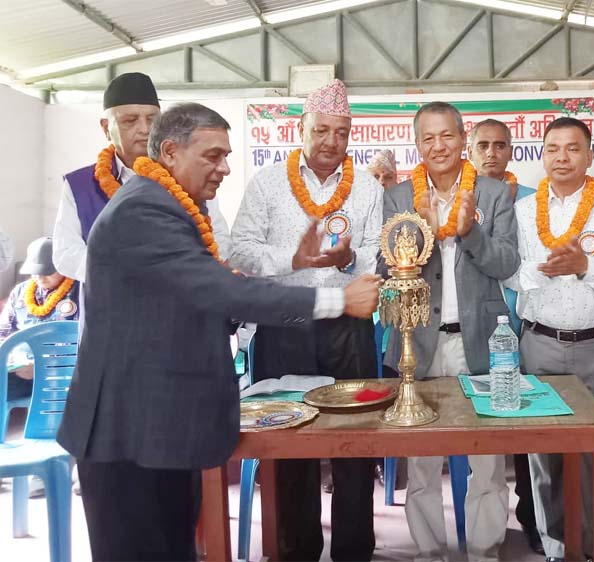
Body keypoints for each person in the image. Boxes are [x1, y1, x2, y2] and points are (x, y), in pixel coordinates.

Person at [56, 102, 381, 562]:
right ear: (171, 152)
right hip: (127, 431)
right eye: (213, 156)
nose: (225, 168)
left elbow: (196, 295)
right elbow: (220, 291)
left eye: (226, 156)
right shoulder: (144, 211)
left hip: (160, 425)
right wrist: (338, 301)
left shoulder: (173, 206)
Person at [231, 78, 382, 562]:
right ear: (301, 128)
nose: (331, 142)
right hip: (285, 326)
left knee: (355, 441)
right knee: (288, 443)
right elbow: (241, 251)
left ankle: (354, 551)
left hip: (349, 328)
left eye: (341, 132)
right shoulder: (268, 183)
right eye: (321, 130)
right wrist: (294, 259)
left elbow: (376, 255)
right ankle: (297, 550)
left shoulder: (367, 188)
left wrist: (349, 259)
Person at [381, 101, 520, 562]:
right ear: (417, 144)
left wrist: (469, 232)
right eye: (428, 138)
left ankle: (483, 551)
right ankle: (429, 552)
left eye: (447, 136)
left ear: (463, 139)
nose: (438, 146)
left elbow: (506, 263)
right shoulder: (400, 196)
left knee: (487, 461)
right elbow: (386, 266)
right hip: (418, 342)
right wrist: (422, 230)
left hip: (480, 341)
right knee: (422, 462)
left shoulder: (494, 194)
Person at [507, 117, 594, 562]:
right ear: (542, 155)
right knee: (544, 457)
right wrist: (543, 271)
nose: (562, 157)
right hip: (540, 344)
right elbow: (509, 272)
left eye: (573, 148)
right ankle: (556, 548)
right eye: (553, 148)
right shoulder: (523, 211)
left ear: (590, 155)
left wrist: (585, 266)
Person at [52, 72, 231, 285]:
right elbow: (65, 252)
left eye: (152, 120)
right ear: (106, 127)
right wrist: (123, 273)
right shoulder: (80, 185)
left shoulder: (188, 176)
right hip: (110, 297)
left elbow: (219, 239)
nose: (145, 129)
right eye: (130, 121)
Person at [468, 117, 542, 555]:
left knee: (529, 429)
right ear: (470, 150)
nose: (491, 153)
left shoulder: (533, 201)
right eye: (483, 145)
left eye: (500, 145)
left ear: (512, 150)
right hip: (480, 332)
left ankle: (532, 516)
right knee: (487, 430)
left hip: (525, 327)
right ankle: (485, 526)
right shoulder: (460, 199)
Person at [1, 237, 80, 402]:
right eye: (35, 272)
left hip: (60, 373)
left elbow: (84, 344)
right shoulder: (20, 292)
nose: (40, 277)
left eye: (47, 272)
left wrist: (41, 366)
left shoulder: (80, 292)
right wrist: (11, 359)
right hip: (18, 369)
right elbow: (3, 332)